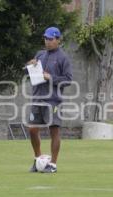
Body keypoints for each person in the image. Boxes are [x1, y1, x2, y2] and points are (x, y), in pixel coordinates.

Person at [26, 27, 73, 173]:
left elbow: (68, 80)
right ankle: (38, 160)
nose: (47, 41)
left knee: (54, 131)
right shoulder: (40, 54)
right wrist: (29, 65)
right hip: (37, 98)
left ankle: (53, 164)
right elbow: (31, 72)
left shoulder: (63, 58)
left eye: (51, 39)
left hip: (53, 101)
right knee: (32, 129)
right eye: (46, 38)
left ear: (58, 40)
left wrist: (51, 78)